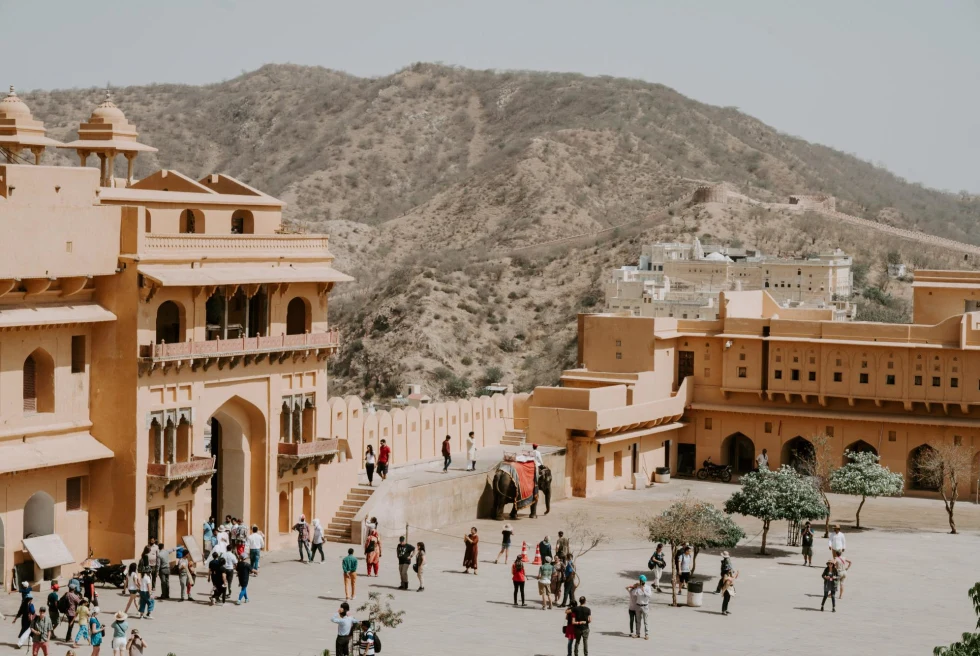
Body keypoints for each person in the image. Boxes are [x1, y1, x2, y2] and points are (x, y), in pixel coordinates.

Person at [628, 575, 652, 639]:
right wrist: (634, 587)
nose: (641, 582)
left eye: (642, 581)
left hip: (645, 606)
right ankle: (637, 634)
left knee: (645, 621)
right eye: (641, 581)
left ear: (645, 581)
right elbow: (633, 593)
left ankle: (646, 634)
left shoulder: (648, 587)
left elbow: (649, 595)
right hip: (638, 606)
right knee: (638, 621)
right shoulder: (638, 588)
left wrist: (643, 590)